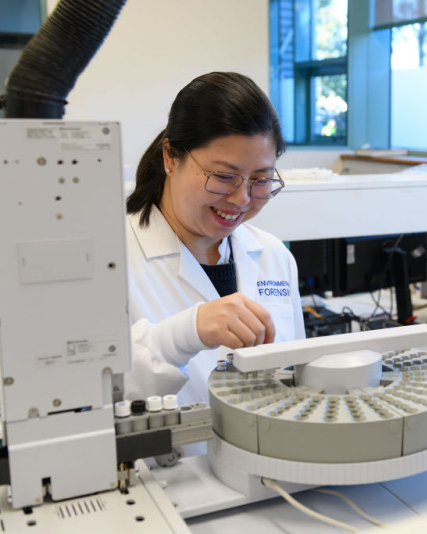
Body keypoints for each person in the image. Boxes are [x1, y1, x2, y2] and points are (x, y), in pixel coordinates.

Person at [124, 72, 305, 404]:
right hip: (171, 457)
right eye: (223, 176)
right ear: (170, 157)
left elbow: (296, 376)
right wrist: (185, 334)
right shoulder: (113, 260)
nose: (241, 199)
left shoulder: (272, 255)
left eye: (261, 180)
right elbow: (94, 395)